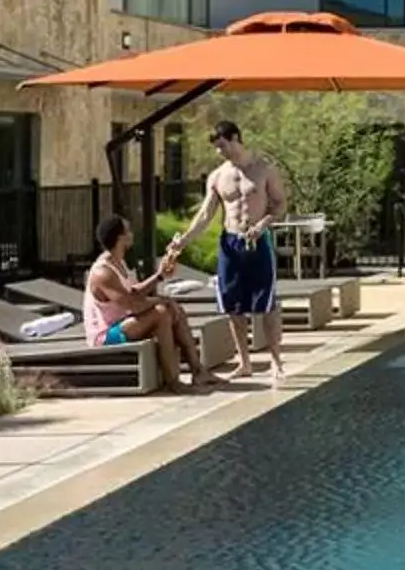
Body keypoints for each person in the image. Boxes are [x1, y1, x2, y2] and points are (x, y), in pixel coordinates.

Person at [169, 118, 289, 385]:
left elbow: (280, 205)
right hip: (231, 243)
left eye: (222, 145)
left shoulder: (263, 169)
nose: (219, 152)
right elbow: (204, 215)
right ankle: (244, 363)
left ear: (235, 138)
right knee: (232, 304)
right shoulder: (218, 176)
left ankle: (276, 360)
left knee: (266, 303)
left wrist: (262, 225)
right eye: (216, 148)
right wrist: (183, 242)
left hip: (258, 242)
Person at [85, 213, 199, 393]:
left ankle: (198, 371)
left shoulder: (118, 262)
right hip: (105, 335)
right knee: (161, 312)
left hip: (124, 323)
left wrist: (160, 276)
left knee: (168, 309)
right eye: (128, 231)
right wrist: (164, 300)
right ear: (120, 238)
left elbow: (133, 292)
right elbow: (133, 305)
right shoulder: (103, 273)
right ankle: (173, 382)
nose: (132, 234)